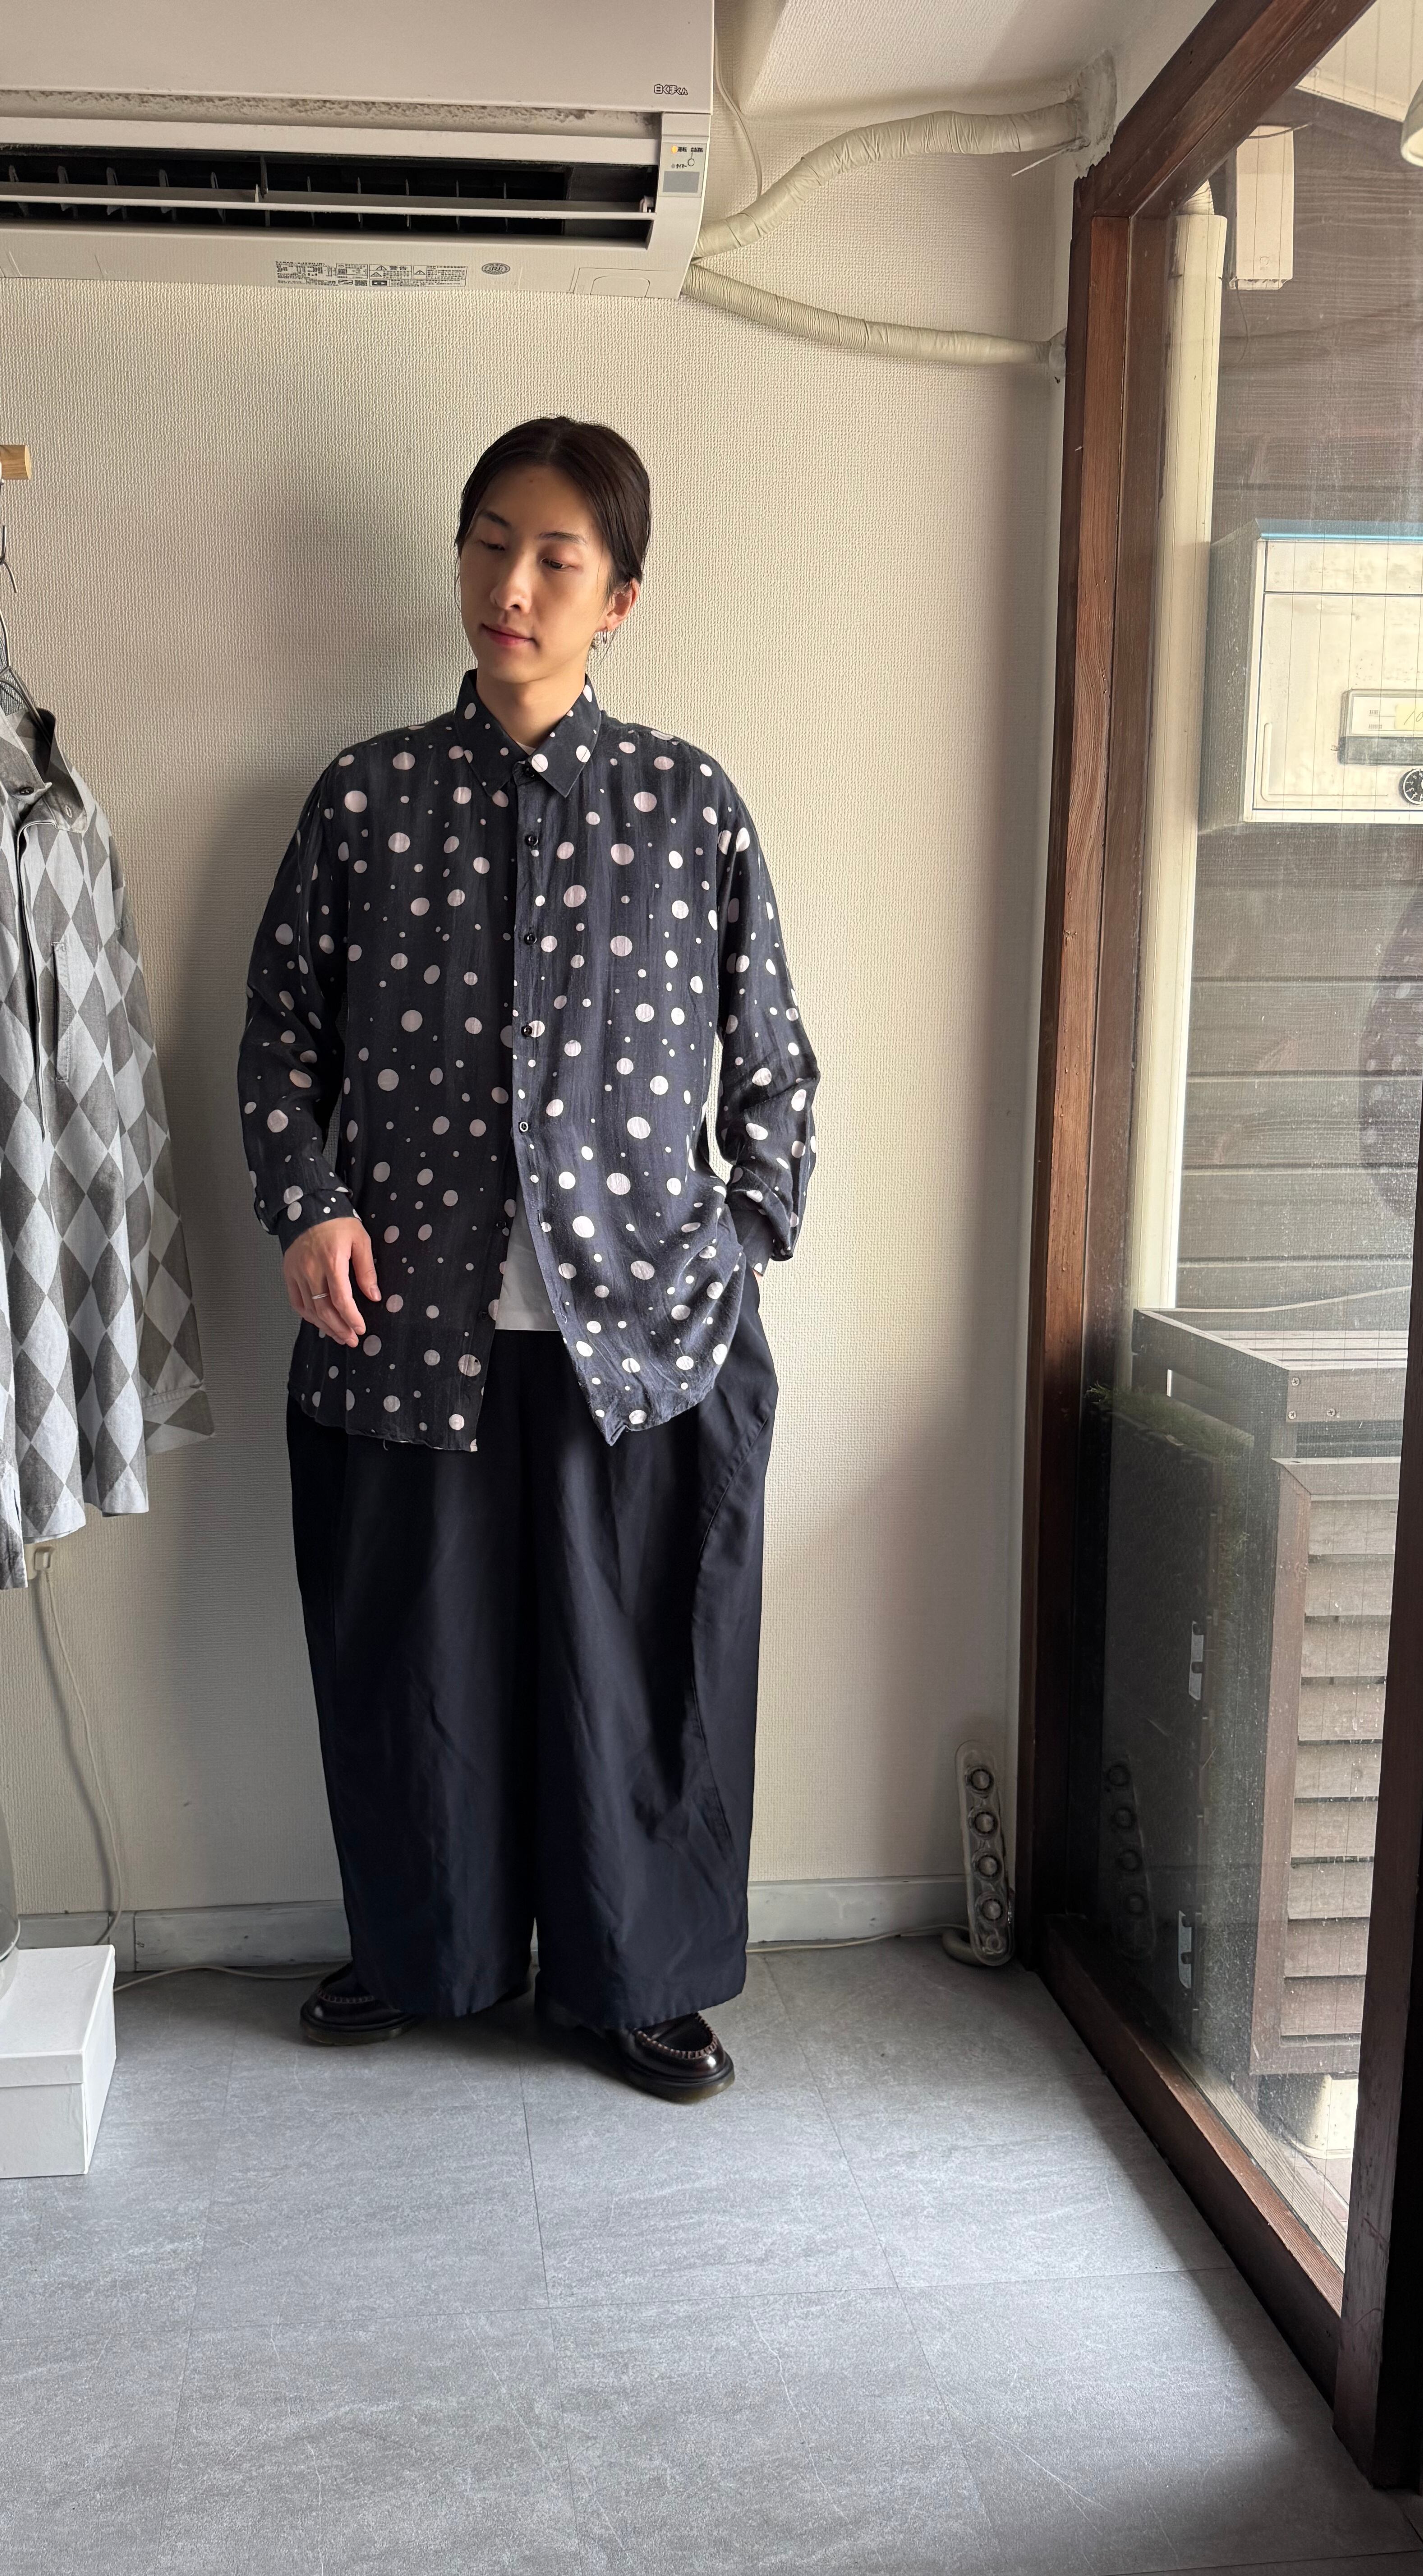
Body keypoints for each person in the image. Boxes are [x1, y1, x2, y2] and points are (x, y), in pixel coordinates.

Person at [237, 416, 817, 2103]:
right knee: (418, 1669)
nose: (511, 583)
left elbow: (771, 1056)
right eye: (489, 542)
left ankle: (635, 1981)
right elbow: (279, 1037)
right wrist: (307, 1204)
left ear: (617, 597)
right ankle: (427, 1954)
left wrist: (743, 1231)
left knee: (639, 1677)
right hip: (406, 1327)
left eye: (556, 557)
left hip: (641, 1334)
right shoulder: (365, 796)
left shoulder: (685, 802)